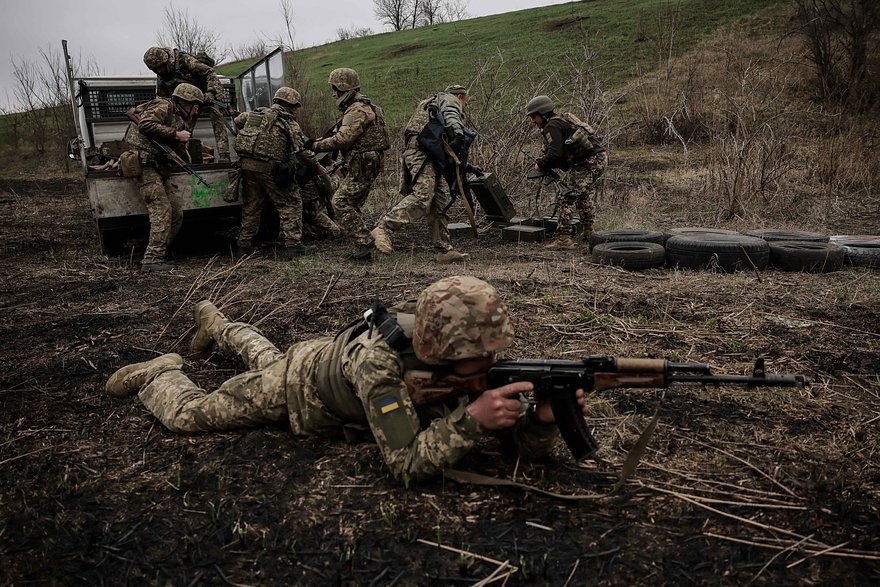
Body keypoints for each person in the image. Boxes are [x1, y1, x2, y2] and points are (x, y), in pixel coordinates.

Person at [105, 276, 589, 482]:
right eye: (479, 356)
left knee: (261, 354)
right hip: (300, 388)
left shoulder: (463, 350)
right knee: (193, 416)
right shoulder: (380, 367)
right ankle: (160, 374)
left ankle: (219, 326)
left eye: (491, 352)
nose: (491, 362)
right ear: (444, 351)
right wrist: (471, 422)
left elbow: (522, 447)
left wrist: (543, 419)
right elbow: (404, 463)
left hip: (323, 358)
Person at [370, 85, 472, 264]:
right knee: (423, 196)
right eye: (466, 100)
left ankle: (443, 249)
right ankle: (384, 227)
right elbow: (451, 113)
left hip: (428, 155)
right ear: (461, 96)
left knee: (439, 200)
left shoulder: (433, 104)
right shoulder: (449, 100)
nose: (466, 104)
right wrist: (458, 133)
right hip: (422, 154)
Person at [306, 68, 390, 260]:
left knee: (340, 202)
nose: (333, 94)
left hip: (362, 164)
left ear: (345, 89)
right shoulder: (367, 107)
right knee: (352, 204)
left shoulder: (357, 110)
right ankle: (362, 248)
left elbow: (342, 139)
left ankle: (364, 241)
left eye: (336, 89)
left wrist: (316, 145)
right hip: (365, 163)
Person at [121, 83, 204, 271]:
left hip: (159, 166)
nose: (196, 109)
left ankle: (160, 251)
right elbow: (145, 124)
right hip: (144, 165)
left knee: (176, 213)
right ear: (185, 101)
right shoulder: (164, 106)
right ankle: (151, 260)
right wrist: (175, 134)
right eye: (195, 105)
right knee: (162, 209)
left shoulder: (179, 117)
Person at [231, 87, 311, 257]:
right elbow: (301, 151)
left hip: (247, 167)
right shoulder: (288, 122)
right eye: (295, 106)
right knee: (291, 203)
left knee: (251, 206)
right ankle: (294, 246)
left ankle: (243, 245)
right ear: (289, 105)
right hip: (270, 170)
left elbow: (238, 121)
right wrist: (317, 166)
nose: (296, 110)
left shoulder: (254, 114)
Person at [525, 95, 607, 250]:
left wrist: (540, 165)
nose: (533, 121)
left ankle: (564, 239)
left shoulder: (552, 126)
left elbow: (555, 153)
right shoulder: (561, 121)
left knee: (566, 196)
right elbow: (560, 153)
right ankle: (589, 231)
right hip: (596, 159)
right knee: (581, 194)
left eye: (534, 117)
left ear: (542, 114)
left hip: (589, 162)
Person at [143, 47, 231, 162]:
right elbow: (161, 98)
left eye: (161, 67)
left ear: (166, 60)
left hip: (205, 95)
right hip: (187, 103)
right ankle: (186, 157)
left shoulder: (185, 61)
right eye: (156, 69)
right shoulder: (162, 75)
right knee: (184, 128)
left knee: (217, 117)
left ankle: (225, 155)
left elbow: (210, 72)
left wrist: (211, 92)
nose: (159, 71)